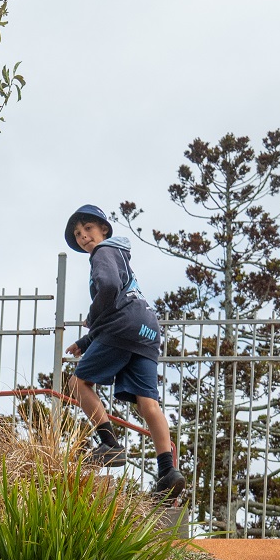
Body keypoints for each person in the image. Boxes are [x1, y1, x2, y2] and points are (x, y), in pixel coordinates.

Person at [63, 204, 185, 493]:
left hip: (124, 328)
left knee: (78, 383)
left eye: (88, 229)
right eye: (78, 234)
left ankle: (109, 444)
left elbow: (107, 289)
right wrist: (85, 342)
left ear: (104, 229)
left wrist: (90, 319)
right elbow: (120, 312)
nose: (83, 237)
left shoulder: (103, 252)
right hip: (147, 330)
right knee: (148, 404)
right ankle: (168, 471)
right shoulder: (122, 257)